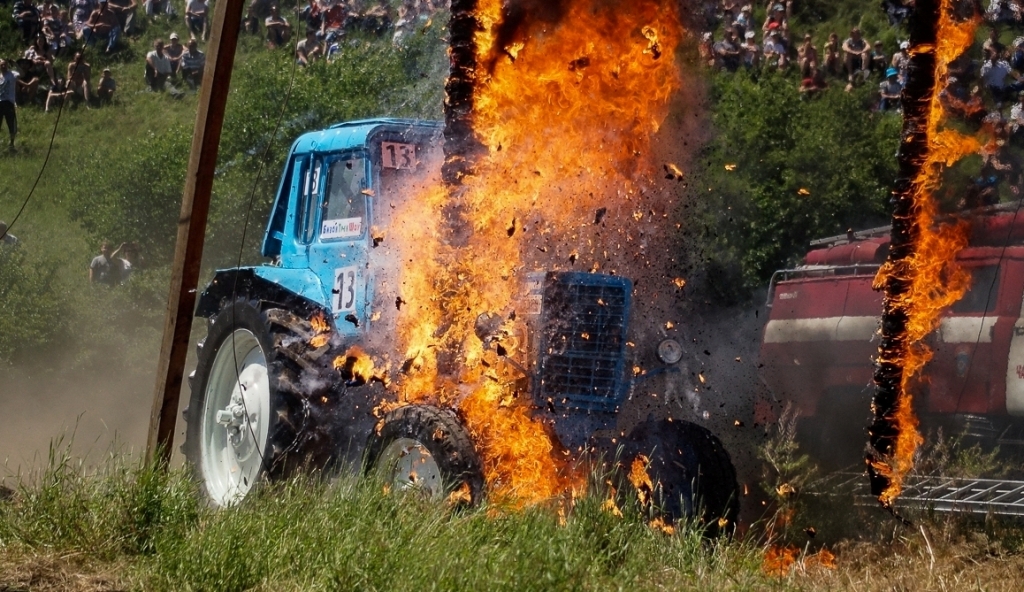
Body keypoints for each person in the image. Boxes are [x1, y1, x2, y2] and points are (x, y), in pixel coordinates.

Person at [0, 61, 15, 150]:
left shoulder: (12, 74)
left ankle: (12, 144)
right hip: (0, 103)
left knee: (11, 124)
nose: (3, 66)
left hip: (8, 103)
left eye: (5, 64)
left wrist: (15, 64)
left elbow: (22, 74)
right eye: (1, 65)